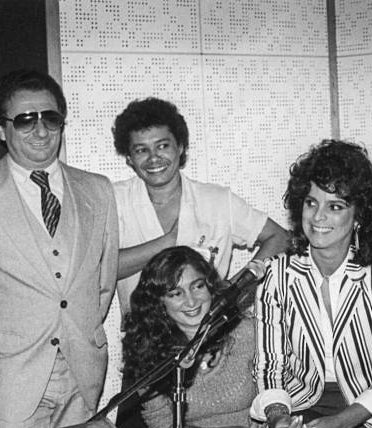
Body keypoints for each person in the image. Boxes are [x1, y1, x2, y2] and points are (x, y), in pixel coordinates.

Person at [0, 69, 118, 428]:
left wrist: (79, 334)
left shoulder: (98, 190)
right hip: (11, 380)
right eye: (25, 121)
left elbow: (104, 282)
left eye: (50, 119)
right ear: (1, 128)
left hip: (83, 373)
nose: (41, 131)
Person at [250, 139, 372, 428]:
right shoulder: (276, 274)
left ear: (359, 215)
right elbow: (270, 365)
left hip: (368, 415)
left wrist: (343, 421)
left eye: (335, 206)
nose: (318, 217)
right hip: (297, 408)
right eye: (311, 203)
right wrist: (278, 417)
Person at [112, 97, 288, 314]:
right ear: (129, 157)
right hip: (144, 336)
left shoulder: (218, 200)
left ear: (181, 147)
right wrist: (167, 242)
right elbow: (96, 269)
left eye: (163, 146)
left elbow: (280, 238)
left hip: (210, 332)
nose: (154, 158)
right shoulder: (114, 199)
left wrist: (233, 290)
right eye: (141, 150)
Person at [122, 246, 266, 428]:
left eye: (197, 286)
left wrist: (268, 415)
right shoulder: (149, 349)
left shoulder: (247, 332)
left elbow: (279, 385)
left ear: (210, 287)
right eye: (176, 293)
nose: (191, 301)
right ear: (159, 303)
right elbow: (161, 425)